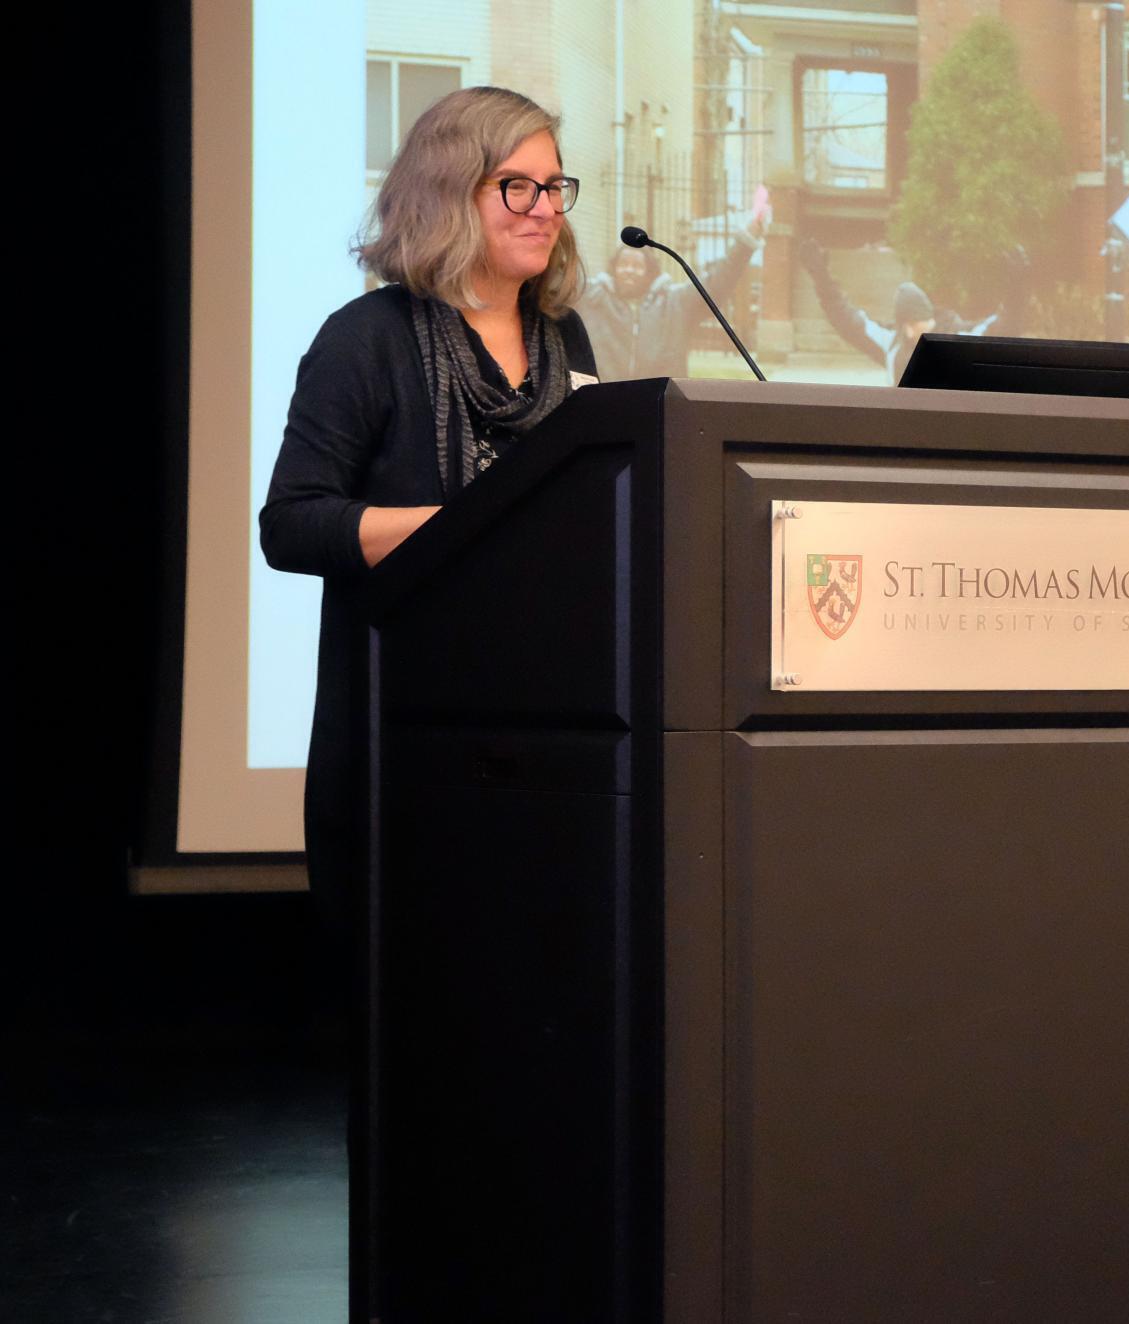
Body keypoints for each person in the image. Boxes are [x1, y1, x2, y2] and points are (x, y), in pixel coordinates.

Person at [259, 86, 596, 959]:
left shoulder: (568, 342)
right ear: (449, 193)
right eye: (516, 186)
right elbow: (293, 525)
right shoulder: (367, 340)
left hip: (549, 731)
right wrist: (466, 525)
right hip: (406, 736)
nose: (545, 209)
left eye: (556, 186)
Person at [576, 201, 770, 381]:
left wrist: (746, 241)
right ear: (613, 268)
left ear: (650, 272)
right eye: (623, 264)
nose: (629, 270)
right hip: (604, 403)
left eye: (637, 265)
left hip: (659, 405)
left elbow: (716, 283)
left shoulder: (675, 303)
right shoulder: (593, 297)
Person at [796, 237, 1026, 385]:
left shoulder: (959, 338)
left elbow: (1004, 325)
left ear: (928, 319)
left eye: (915, 323)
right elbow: (845, 318)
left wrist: (1017, 289)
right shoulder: (891, 342)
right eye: (904, 324)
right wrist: (821, 278)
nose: (908, 331)